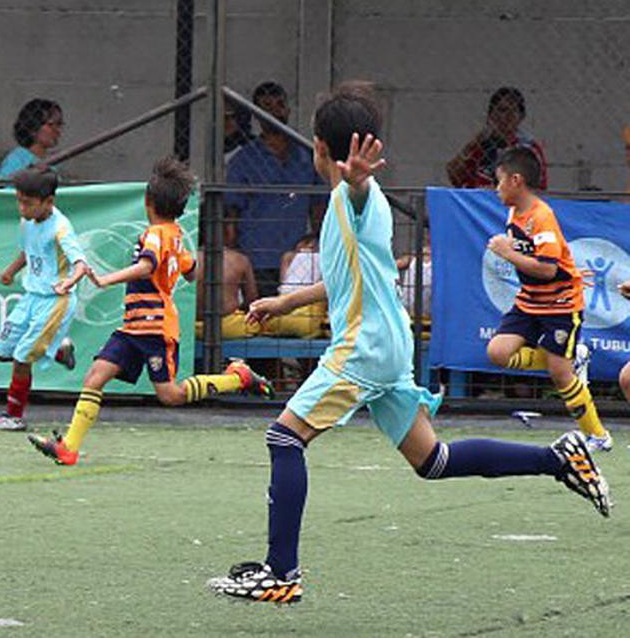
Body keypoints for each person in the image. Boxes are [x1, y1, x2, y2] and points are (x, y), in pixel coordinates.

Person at [209, 88, 610, 605]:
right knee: (433, 460)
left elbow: (353, 199)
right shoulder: (354, 200)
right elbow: (349, 275)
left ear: (318, 147)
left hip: (365, 346)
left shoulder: (351, 197)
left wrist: (353, 182)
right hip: (387, 343)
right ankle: (560, 460)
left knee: (285, 439)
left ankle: (281, 573)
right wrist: (285, 304)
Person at [26, 159, 273, 466]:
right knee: (95, 377)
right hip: (133, 327)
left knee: (169, 394)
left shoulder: (156, 234)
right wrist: (177, 262)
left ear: (147, 201)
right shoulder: (175, 233)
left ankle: (238, 378)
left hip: (155, 328)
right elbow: (192, 272)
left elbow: (147, 265)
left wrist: (105, 278)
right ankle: (69, 448)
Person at [484, 147, 608, 450]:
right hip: (529, 301)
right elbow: (547, 257)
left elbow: (546, 268)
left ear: (516, 180)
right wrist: (569, 269)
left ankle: (598, 436)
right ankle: (570, 356)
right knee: (498, 352)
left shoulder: (542, 217)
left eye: (499, 181)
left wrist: (506, 252)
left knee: (560, 374)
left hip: (560, 306)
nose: (496, 188)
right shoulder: (514, 212)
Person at [0, 166, 86, 431]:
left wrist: (70, 281)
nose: (21, 208)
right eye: (18, 201)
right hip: (31, 297)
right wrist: (10, 270)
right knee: (0, 351)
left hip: (56, 301)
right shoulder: (27, 222)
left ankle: (13, 416)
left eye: (27, 203)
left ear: (49, 202)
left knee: (22, 358)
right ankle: (59, 349)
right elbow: (27, 252)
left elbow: (80, 264)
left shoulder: (61, 228)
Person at [224, 82, 325, 298]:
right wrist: (234, 260)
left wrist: (315, 239)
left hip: (297, 263)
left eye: (280, 104)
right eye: (266, 106)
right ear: (256, 114)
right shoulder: (243, 161)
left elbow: (318, 209)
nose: (275, 111)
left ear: (288, 109)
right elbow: (230, 217)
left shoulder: (307, 156)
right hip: (256, 261)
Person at [446, 87, 547, 190]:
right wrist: (473, 144)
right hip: (478, 202)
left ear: (521, 116)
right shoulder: (480, 144)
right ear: (491, 115)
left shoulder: (529, 148)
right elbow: (454, 176)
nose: (506, 116)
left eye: (513, 111)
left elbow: (539, 188)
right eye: (501, 110)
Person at [0, 99, 63, 180]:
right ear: (33, 128)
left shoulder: (50, 163)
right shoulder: (17, 160)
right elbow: (6, 190)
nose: (58, 130)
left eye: (59, 124)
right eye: (51, 125)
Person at [220, 247, 258, 339]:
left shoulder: (189, 257)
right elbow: (252, 297)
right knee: (257, 324)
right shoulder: (239, 259)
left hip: (192, 324)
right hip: (227, 325)